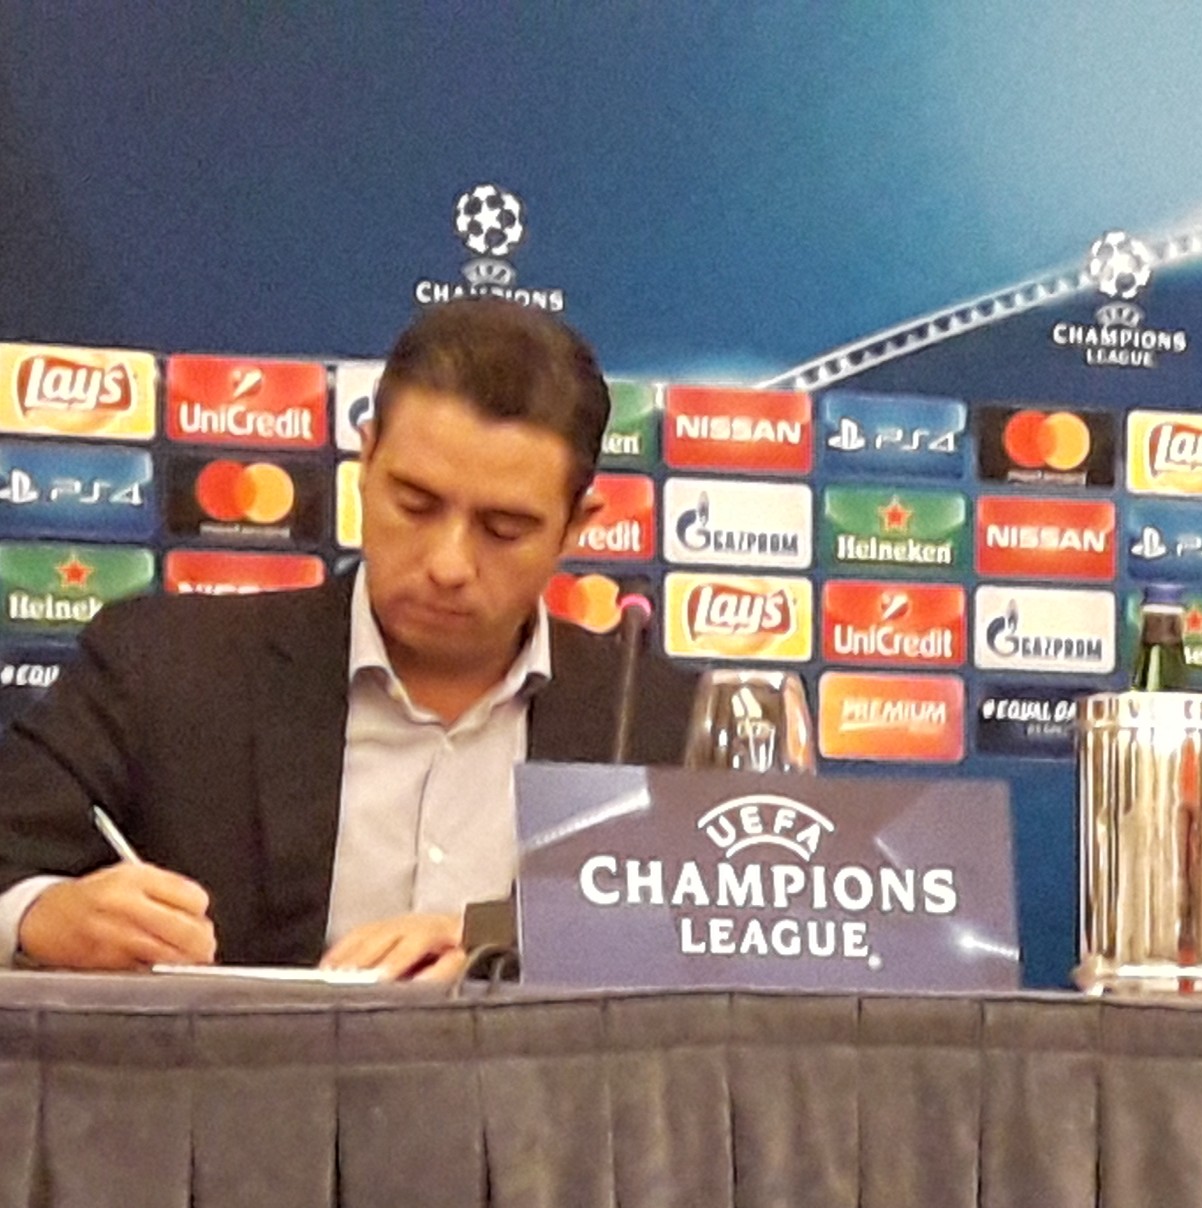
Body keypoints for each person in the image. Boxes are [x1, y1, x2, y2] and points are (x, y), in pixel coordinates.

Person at [0, 300, 696, 981]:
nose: (448, 564)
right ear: (365, 462)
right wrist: (40, 915)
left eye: (504, 528)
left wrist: (499, 937)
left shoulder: (655, 722)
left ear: (578, 526)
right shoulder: (168, 668)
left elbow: (760, 946)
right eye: (415, 505)